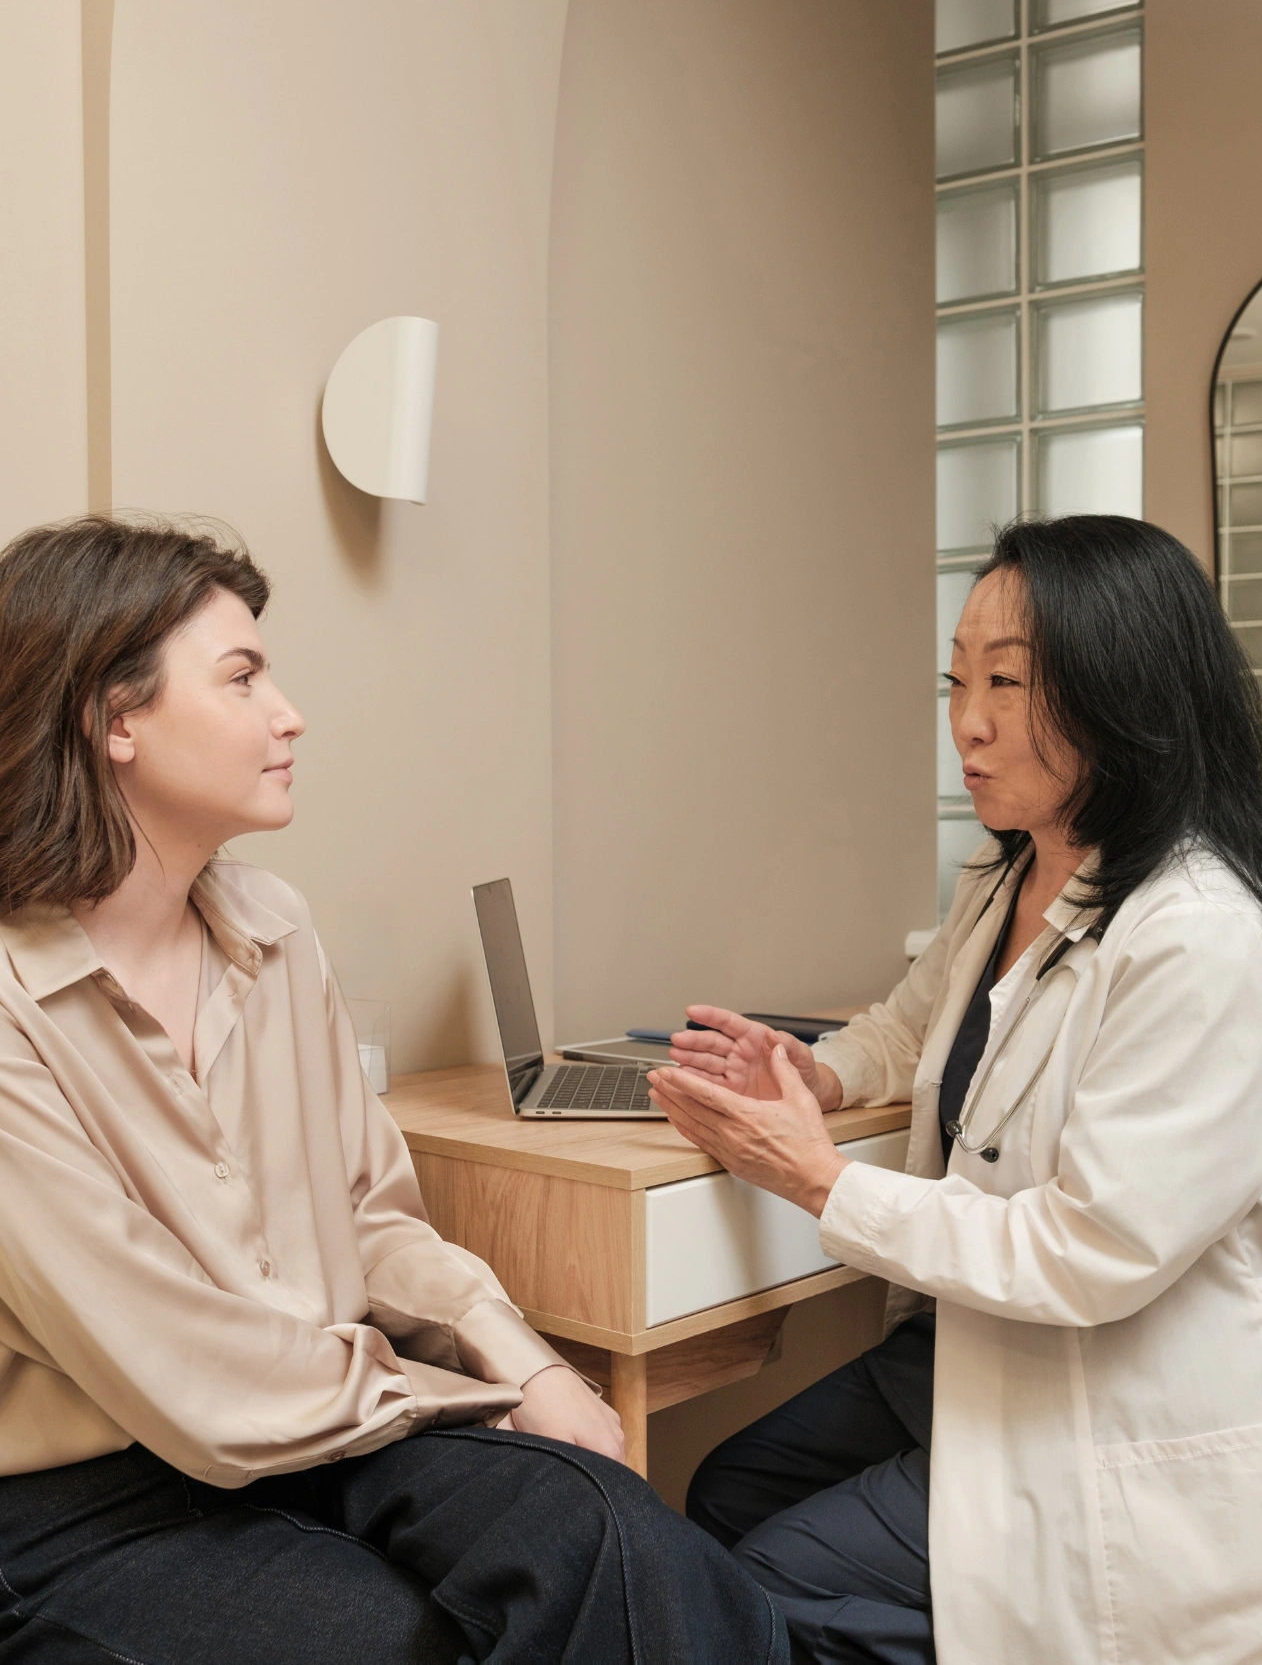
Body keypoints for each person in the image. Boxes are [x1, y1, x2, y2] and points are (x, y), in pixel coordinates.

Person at [0, 515, 788, 1665]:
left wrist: (523, 1360)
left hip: (326, 1423)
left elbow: (370, 1216)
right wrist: (462, 1395)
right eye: (242, 676)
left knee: (621, 1537)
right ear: (114, 718)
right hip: (96, 1494)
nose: (289, 713)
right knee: (403, 1639)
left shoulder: (274, 925)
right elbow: (188, 1376)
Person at [648, 515, 1262, 1665]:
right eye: (955, 680)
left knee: (771, 1578)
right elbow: (913, 1019)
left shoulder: (1199, 936)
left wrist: (819, 1177)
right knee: (728, 1491)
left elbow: (1088, 1250)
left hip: (1100, 1403)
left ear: (1119, 691)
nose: (965, 722)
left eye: (1006, 681)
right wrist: (815, 1071)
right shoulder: (1009, 869)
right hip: (970, 1348)